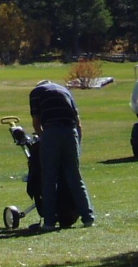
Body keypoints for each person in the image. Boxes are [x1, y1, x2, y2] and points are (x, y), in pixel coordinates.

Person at [29, 79, 96, 231]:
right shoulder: (65, 90)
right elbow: (77, 121)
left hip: (51, 131)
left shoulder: (36, 93)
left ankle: (50, 221)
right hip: (70, 131)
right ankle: (88, 217)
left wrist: (43, 138)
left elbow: (36, 122)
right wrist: (77, 142)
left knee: (49, 179)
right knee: (75, 177)